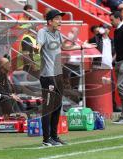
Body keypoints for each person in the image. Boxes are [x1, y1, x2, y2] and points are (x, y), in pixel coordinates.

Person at [36, 9, 96, 146]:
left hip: (57, 74)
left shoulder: (57, 33)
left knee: (57, 106)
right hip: (47, 76)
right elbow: (37, 46)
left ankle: (54, 136)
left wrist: (81, 46)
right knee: (48, 107)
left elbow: (64, 47)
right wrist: (35, 50)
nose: (60, 21)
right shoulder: (42, 32)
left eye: (60, 18)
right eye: (57, 19)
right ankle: (46, 139)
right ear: (50, 21)